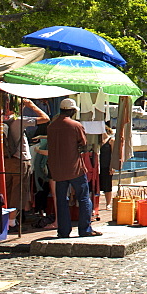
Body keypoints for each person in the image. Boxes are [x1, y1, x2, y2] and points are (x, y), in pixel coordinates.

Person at [46, 98, 101, 238]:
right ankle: (85, 229)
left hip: (57, 169)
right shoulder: (75, 125)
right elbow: (83, 143)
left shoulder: (51, 126)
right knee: (83, 198)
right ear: (71, 111)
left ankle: (63, 231)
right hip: (74, 167)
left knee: (61, 199)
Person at [2, 98, 50, 222]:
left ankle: (5, 219)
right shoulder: (19, 120)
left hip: (6, 160)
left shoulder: (1, 120)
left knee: (6, 189)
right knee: (18, 191)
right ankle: (11, 221)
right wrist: (32, 106)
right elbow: (45, 118)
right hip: (20, 159)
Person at [95, 125, 114, 221]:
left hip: (107, 165)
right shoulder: (97, 141)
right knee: (97, 185)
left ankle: (108, 203)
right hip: (97, 165)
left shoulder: (111, 140)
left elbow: (113, 154)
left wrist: (112, 166)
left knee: (107, 185)